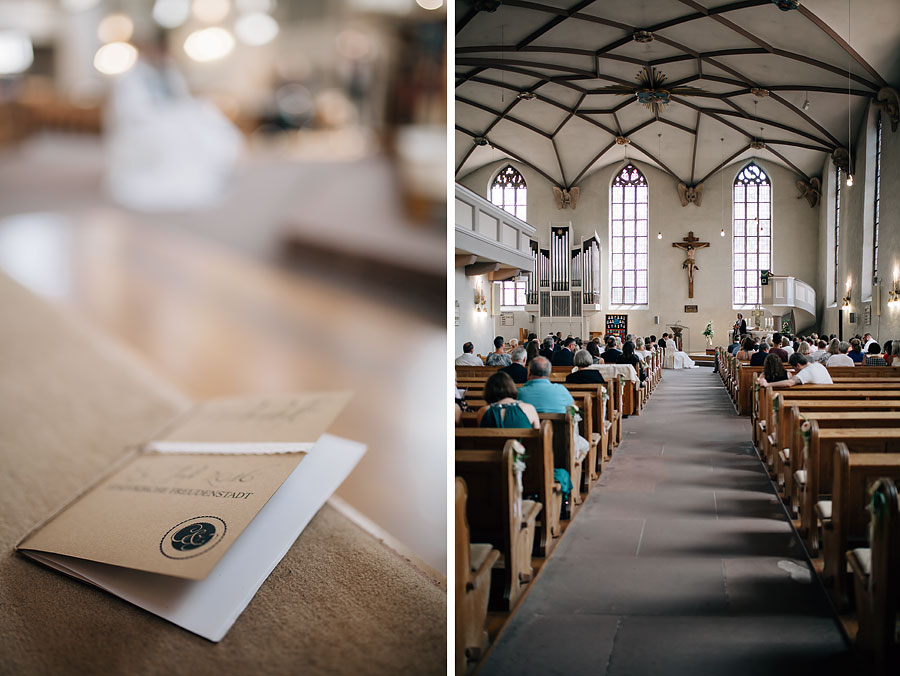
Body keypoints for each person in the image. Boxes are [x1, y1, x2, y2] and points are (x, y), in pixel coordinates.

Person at [518, 357, 589, 462]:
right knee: (586, 445)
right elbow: (573, 408)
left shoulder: (519, 394)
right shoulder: (561, 391)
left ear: (529, 373)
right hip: (561, 449)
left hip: (527, 450)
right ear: (549, 373)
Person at [758, 353, 833, 388]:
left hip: (819, 399)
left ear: (798, 365)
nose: (795, 370)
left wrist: (768, 384)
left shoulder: (805, 372)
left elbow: (789, 383)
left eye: (794, 368)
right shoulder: (819, 365)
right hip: (831, 395)